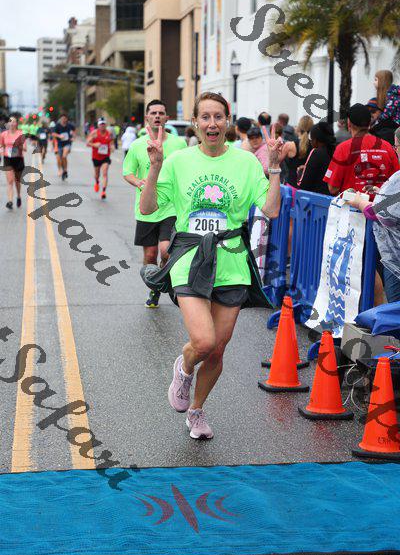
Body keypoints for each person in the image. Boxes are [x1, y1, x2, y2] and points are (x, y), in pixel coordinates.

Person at [139, 92, 281, 439]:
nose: (212, 123)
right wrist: (155, 167)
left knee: (218, 348)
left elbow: (271, 209)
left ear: (227, 121)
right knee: (203, 341)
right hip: (189, 258)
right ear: (195, 123)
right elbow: (147, 208)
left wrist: (275, 167)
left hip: (231, 260)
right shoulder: (178, 161)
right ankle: (185, 366)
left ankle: (196, 411)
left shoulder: (246, 162)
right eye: (205, 117)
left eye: (218, 116)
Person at [123, 99, 187, 308]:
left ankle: (164, 278)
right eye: (153, 113)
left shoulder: (179, 144)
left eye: (161, 113)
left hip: (171, 206)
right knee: (150, 254)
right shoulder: (137, 145)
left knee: (166, 250)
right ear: (147, 117)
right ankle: (154, 287)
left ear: (167, 117)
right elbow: (127, 172)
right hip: (146, 208)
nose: (157, 116)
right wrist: (138, 182)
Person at [347, 127, 400, 302]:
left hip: (396, 257)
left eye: (396, 146)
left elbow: (376, 212)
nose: (395, 150)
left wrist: (358, 202)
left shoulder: (398, 178)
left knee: (395, 306)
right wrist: (383, 194)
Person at [324, 104, 399, 197]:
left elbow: (333, 188)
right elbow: (396, 182)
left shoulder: (343, 148)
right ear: (369, 124)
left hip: (352, 205)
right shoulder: (387, 147)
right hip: (381, 205)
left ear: (349, 124)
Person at [297, 122, 333, 195]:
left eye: (311, 139)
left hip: (316, 197)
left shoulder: (315, 152)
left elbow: (304, 184)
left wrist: (300, 173)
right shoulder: (336, 150)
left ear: (315, 140)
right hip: (333, 197)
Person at [280, 115, 314, 190]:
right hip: (307, 188)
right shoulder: (315, 146)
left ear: (298, 127)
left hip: (291, 185)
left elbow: (276, 162)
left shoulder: (289, 145)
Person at [0, 116, 26, 210]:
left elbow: (25, 148)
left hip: (18, 159)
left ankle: (18, 196)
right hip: (8, 159)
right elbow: (1, 145)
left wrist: (19, 146)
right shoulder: (3, 134)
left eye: (14, 121)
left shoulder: (21, 134)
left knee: (17, 181)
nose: (12, 123)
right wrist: (2, 153)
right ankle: (10, 201)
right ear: (8, 123)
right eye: (10, 121)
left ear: (16, 124)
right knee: (10, 181)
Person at [86, 119, 114, 199]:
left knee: (105, 173)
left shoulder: (109, 133)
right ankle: (97, 182)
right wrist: (94, 144)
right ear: (98, 125)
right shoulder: (94, 133)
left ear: (106, 125)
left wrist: (112, 147)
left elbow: (111, 143)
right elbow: (87, 143)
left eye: (104, 124)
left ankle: (103, 191)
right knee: (97, 174)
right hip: (96, 157)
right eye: (101, 124)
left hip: (105, 157)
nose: (102, 126)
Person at [52, 113, 76, 180]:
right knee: (60, 159)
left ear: (66, 119)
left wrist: (73, 137)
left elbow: (74, 130)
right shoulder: (57, 125)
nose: (63, 120)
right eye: (62, 119)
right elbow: (53, 133)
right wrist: (59, 136)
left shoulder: (69, 125)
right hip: (59, 144)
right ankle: (63, 170)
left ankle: (65, 170)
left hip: (67, 143)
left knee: (64, 156)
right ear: (60, 119)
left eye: (65, 118)